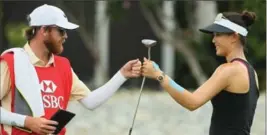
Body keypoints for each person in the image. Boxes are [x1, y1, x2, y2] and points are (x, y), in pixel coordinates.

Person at [0, 4, 141, 135]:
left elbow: (91, 102)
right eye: (61, 31)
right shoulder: (11, 61)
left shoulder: (63, 66)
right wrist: (27, 122)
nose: (66, 36)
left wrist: (122, 74)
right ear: (44, 30)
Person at [142, 10, 259, 135]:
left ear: (234, 37)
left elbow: (192, 102)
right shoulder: (252, 72)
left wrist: (159, 75)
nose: (213, 40)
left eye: (218, 35)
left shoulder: (229, 70)